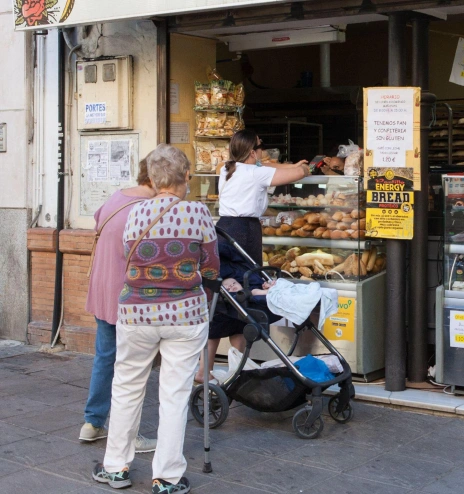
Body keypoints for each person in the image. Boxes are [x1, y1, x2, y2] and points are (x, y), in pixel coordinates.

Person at [92, 145, 220, 493]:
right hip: (185, 314)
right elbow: (211, 267)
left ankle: (116, 468)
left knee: (126, 388)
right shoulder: (198, 213)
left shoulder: (136, 213)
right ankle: (166, 476)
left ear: (153, 178)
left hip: (136, 313)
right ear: (187, 177)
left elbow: (128, 258)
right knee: (175, 394)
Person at [195, 129, 309, 383]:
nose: (264, 150)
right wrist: (300, 166)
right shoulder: (256, 173)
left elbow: (265, 165)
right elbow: (301, 174)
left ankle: (213, 368)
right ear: (251, 152)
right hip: (244, 232)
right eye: (261, 145)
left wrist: (281, 163)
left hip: (226, 228)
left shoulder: (227, 168)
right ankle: (236, 368)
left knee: (227, 296)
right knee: (243, 291)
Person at [81, 155, 158, 453]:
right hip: (129, 294)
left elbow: (98, 223)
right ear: (156, 179)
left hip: (102, 287)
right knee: (131, 368)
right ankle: (129, 436)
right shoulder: (148, 208)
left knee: (105, 357)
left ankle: (92, 422)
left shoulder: (117, 196)